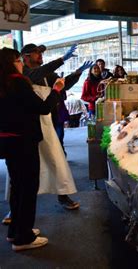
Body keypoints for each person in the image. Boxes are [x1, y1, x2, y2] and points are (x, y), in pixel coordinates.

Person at [0, 47, 64, 251]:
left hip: (7, 143)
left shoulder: (3, 83)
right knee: (27, 188)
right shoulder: (18, 82)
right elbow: (43, 108)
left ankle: (16, 231)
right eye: (18, 60)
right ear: (12, 62)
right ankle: (23, 238)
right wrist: (56, 90)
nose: (21, 64)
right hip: (23, 142)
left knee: (18, 187)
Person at [22, 43, 90, 210]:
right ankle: (16, 208)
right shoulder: (23, 73)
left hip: (48, 123)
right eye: (36, 53)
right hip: (27, 128)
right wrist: (62, 59)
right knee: (23, 168)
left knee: (56, 160)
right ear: (26, 57)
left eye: (41, 53)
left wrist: (77, 73)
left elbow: (62, 84)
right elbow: (36, 73)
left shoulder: (47, 74)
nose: (40, 55)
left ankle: (63, 196)